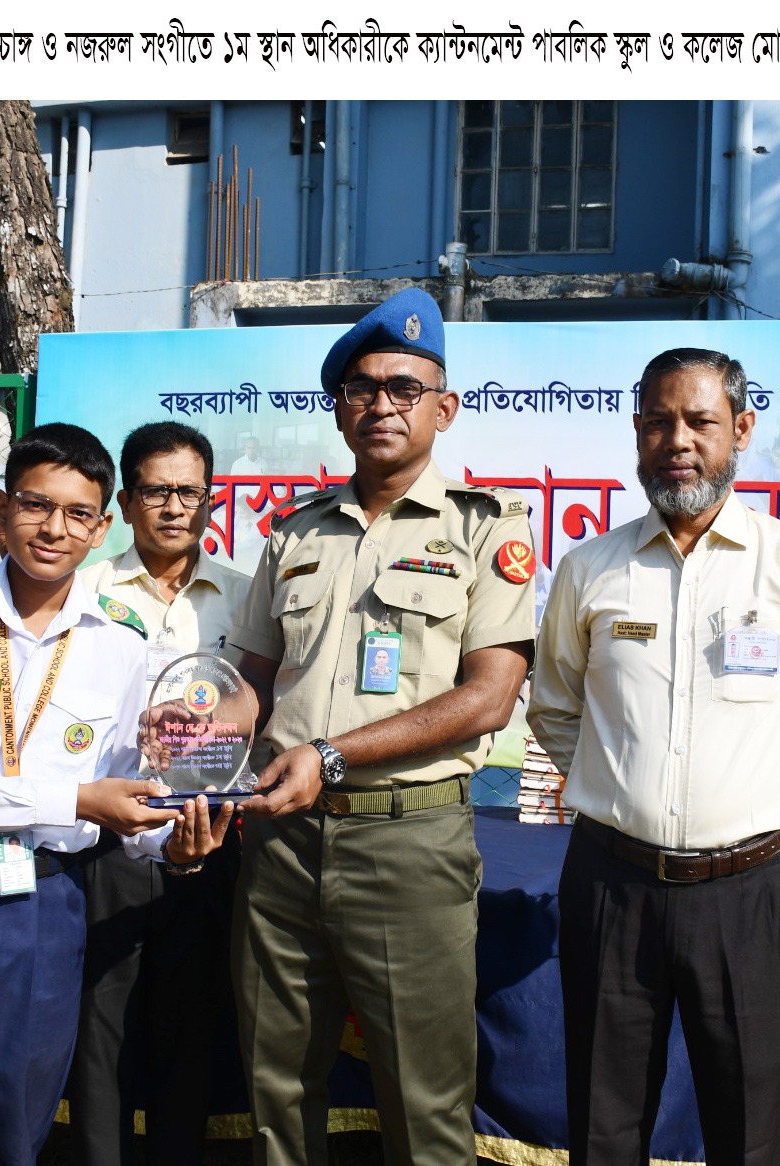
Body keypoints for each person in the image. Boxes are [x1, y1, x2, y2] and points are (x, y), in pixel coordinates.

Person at [526, 347, 780, 1166]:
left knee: (750, 1125)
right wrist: (620, 785)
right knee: (603, 1124)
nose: (677, 440)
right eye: (658, 422)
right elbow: (553, 708)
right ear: (637, 434)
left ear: (742, 430)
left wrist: (769, 795)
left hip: (749, 889)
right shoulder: (591, 568)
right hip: (612, 885)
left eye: (699, 421)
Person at [0, 422, 230, 1166]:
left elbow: (133, 786)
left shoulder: (119, 642)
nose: (54, 528)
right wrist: (76, 802)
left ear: (100, 528)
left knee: (18, 1129)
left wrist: (179, 842)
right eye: (36, 505)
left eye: (77, 514)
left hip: (44, 905)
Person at [228, 288, 537, 1166]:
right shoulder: (293, 531)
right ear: (339, 408)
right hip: (280, 844)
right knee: (275, 1089)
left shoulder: (486, 530)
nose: (382, 405)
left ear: (443, 409)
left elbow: (488, 698)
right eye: (362, 388)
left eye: (405, 388)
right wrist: (199, 730)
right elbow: (252, 680)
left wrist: (330, 756)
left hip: (408, 844)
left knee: (424, 1097)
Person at [68, 419, 252, 1166]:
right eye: (156, 491)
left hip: (210, 839)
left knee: (190, 1027)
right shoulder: (82, 591)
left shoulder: (244, 595)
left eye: (189, 491)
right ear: (128, 498)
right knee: (100, 1029)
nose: (174, 507)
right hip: (106, 838)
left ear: (210, 498)